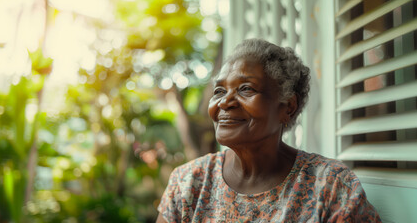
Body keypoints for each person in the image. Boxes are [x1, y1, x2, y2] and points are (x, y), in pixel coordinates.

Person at [156, 39, 381, 222]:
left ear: (288, 107)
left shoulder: (330, 186)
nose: (225, 102)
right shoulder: (188, 182)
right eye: (219, 90)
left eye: (246, 88)